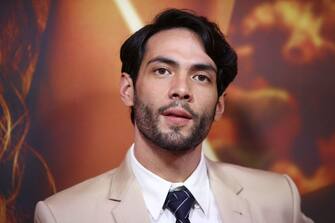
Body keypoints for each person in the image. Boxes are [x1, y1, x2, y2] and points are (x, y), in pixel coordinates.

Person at [34, 9, 313, 223]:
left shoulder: (277, 200)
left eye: (201, 77)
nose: (181, 89)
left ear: (219, 106)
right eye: (162, 71)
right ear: (128, 89)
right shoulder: (64, 216)